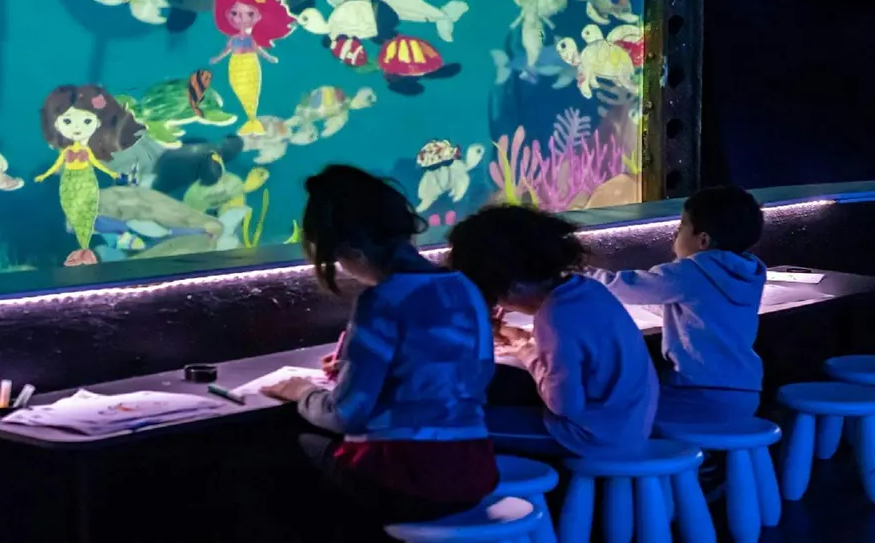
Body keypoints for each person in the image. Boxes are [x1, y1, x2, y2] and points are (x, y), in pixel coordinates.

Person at [259, 165, 500, 542]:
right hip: (474, 471)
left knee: (286, 451)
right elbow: (472, 374)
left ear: (351, 249)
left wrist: (302, 392)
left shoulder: (382, 301)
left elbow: (345, 415)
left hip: (406, 477)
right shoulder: (464, 287)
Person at [447, 205, 659, 458]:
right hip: (629, 427)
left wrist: (526, 353)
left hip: (592, 438)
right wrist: (524, 342)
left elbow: (563, 405)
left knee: (458, 426)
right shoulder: (589, 290)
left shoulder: (555, 316)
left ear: (500, 284)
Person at [585, 185, 766, 423]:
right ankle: (704, 455)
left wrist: (578, 273)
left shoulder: (691, 270)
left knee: (620, 416)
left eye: (681, 226)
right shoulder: (749, 271)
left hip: (701, 395)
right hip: (745, 391)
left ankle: (683, 459)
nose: (675, 235)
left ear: (702, 240)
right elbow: (690, 304)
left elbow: (625, 287)